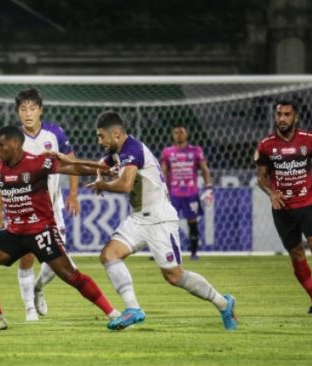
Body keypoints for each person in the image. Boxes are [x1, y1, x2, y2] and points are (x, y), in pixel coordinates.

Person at [0, 125, 120, 331]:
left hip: (41, 231)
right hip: (15, 232)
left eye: (0, 145)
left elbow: (72, 167)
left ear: (14, 145)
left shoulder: (37, 162)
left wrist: (102, 169)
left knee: (71, 276)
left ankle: (113, 313)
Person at [80, 111, 237, 331]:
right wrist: (99, 175)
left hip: (159, 219)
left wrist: (102, 185)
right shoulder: (117, 150)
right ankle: (133, 309)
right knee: (109, 255)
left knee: (174, 276)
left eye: (101, 136)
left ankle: (223, 303)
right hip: (138, 218)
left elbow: (125, 185)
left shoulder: (132, 149)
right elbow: (102, 164)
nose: (99, 142)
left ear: (116, 134)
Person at [0, 88, 80, 321]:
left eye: (32, 108)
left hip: (52, 208)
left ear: (40, 110)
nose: (28, 113)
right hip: (23, 207)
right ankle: (29, 309)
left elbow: (72, 163)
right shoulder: (13, 140)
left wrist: (73, 193)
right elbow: (2, 175)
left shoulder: (55, 134)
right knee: (27, 256)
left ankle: (38, 289)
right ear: (18, 112)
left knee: (55, 260)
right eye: (23, 109)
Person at [254, 100, 312, 314]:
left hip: (308, 202)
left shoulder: (310, 139)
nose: (282, 119)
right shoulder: (266, 144)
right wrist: (272, 192)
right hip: (283, 208)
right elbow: (261, 178)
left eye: (287, 114)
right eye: (279, 114)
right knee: (297, 255)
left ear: (296, 117)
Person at [160, 124, 213, 260]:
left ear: (187, 134)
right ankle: (165, 252)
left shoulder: (195, 151)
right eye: (176, 132)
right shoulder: (167, 152)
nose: (179, 135)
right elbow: (163, 172)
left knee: (192, 222)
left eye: (181, 132)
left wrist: (208, 188)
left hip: (191, 194)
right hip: (174, 194)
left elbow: (205, 169)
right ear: (172, 135)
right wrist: (162, 190)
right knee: (168, 222)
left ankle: (194, 253)